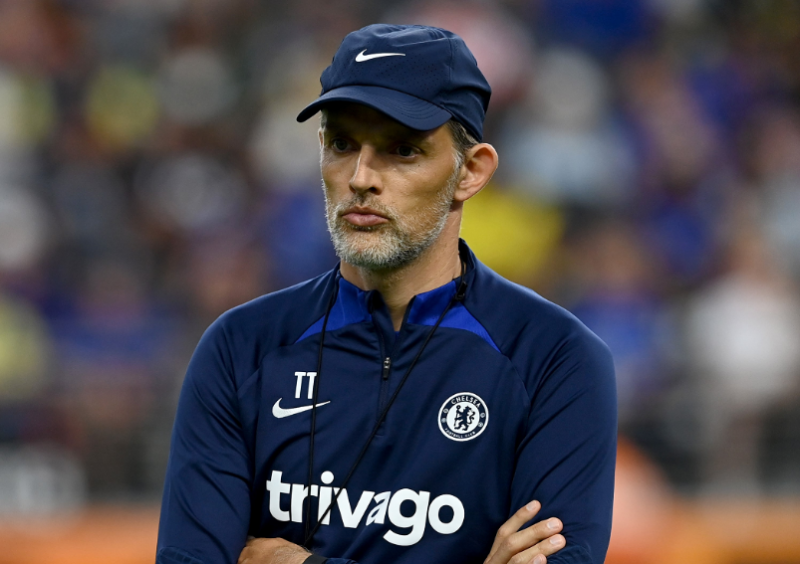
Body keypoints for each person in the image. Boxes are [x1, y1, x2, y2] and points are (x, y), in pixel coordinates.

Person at [156, 24, 617, 564]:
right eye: (342, 144)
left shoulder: (554, 358)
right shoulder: (241, 348)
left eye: (402, 149)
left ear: (471, 172)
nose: (361, 177)